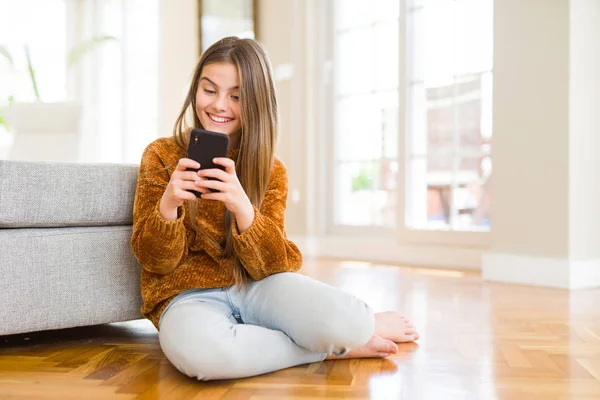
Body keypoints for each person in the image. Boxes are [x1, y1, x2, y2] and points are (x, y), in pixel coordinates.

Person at [131, 36, 419, 381]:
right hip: (186, 298)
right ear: (195, 90)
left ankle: (346, 335)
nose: (220, 105)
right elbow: (154, 262)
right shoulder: (161, 155)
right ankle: (327, 348)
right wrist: (169, 205)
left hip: (257, 287)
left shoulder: (271, 170)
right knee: (206, 357)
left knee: (354, 322)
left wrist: (242, 207)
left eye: (236, 96)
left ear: (256, 101)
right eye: (210, 91)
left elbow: (275, 265)